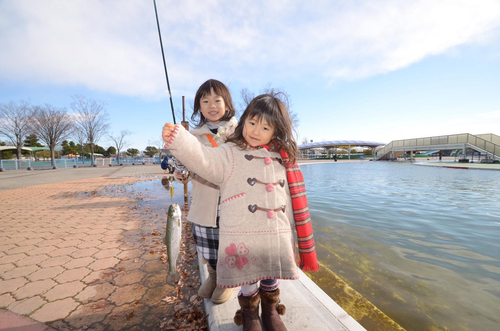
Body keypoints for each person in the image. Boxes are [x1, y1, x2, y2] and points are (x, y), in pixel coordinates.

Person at [163, 92, 319, 331]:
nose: (256, 131)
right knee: (248, 274)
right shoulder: (230, 152)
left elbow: (291, 198)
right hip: (243, 230)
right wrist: (180, 139)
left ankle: (270, 310)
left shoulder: (283, 158)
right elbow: (204, 159)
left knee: (270, 273)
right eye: (252, 122)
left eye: (265, 127)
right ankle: (250, 313)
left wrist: (295, 231)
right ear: (244, 119)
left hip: (275, 230)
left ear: (276, 131)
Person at [173, 79, 237, 304]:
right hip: (204, 199)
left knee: (229, 242)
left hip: (232, 200)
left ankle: (228, 281)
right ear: (198, 107)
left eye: (217, 100)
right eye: (205, 100)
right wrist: (180, 174)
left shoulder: (239, 132)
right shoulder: (191, 136)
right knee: (208, 242)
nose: (212, 105)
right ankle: (214, 276)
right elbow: (184, 166)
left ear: (227, 104)